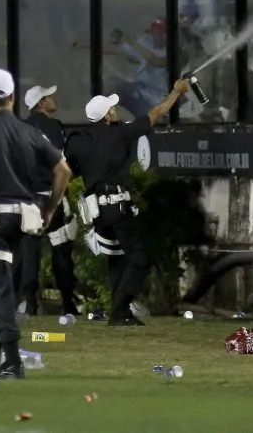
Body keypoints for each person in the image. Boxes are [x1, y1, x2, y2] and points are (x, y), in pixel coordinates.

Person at [0, 68, 72, 378]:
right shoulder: (31, 132)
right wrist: (48, 209)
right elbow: (64, 171)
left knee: (0, 284)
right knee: (6, 285)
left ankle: (12, 358)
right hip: (27, 217)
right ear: (12, 97)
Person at [65, 78, 191, 326]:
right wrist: (175, 92)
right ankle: (119, 310)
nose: (115, 110)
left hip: (97, 211)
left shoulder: (78, 140)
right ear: (106, 116)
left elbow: (67, 172)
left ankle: (119, 310)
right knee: (139, 258)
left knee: (116, 257)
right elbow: (157, 113)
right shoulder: (120, 131)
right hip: (117, 207)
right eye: (112, 108)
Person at [14, 84, 81, 317]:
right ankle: (68, 304)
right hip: (53, 198)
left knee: (30, 250)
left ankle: (30, 304)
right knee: (61, 250)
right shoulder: (55, 127)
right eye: (50, 96)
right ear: (41, 103)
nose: (54, 99)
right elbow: (61, 165)